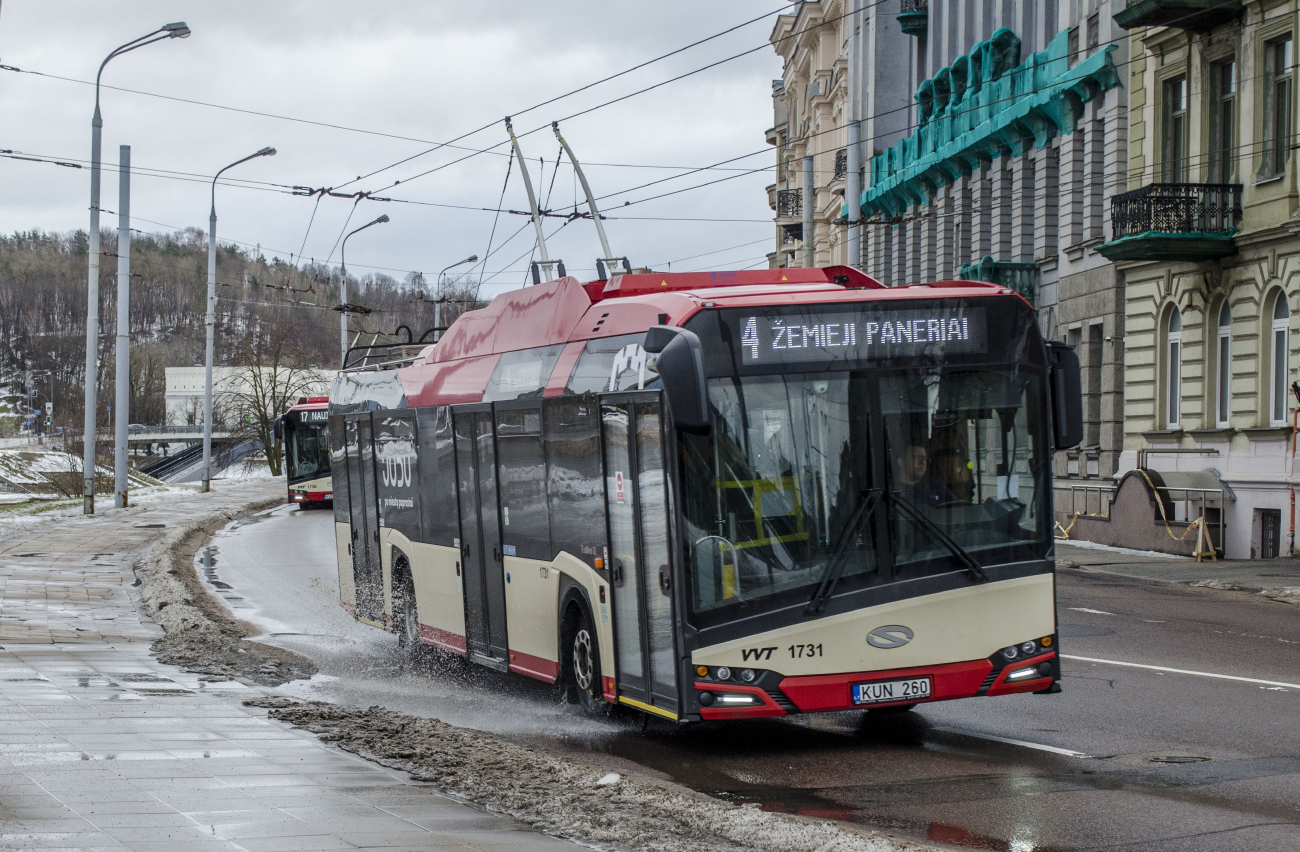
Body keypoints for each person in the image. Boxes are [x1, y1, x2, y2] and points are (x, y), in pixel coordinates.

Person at [895, 443, 958, 508]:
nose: (922, 463)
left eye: (924, 459)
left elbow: (957, 509)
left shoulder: (937, 486)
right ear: (901, 462)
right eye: (917, 458)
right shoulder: (893, 489)